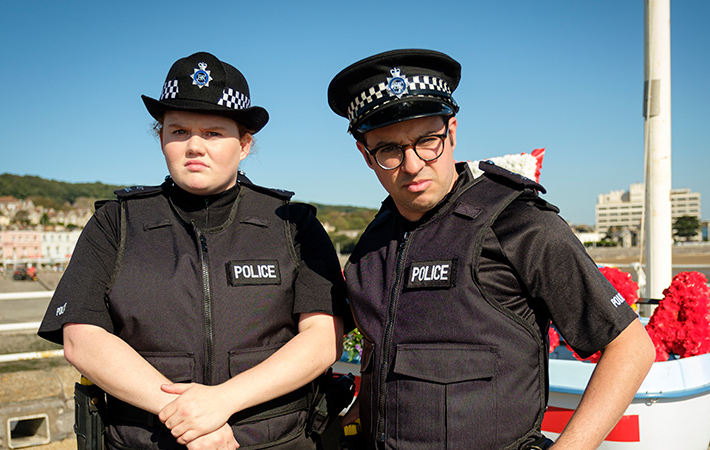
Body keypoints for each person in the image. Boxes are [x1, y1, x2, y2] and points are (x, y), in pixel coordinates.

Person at [327, 49, 655, 449]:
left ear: (452, 131)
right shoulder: (371, 246)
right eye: (389, 150)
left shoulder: (521, 225)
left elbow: (630, 347)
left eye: (427, 141)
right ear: (365, 155)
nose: (412, 165)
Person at [39, 52, 347, 450]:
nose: (194, 147)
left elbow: (322, 341)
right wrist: (190, 416)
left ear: (245, 144)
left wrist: (222, 401)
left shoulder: (291, 223)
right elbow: (82, 337)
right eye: (179, 131)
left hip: (272, 440)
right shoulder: (116, 223)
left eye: (214, 133)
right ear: (161, 137)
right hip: (146, 440)